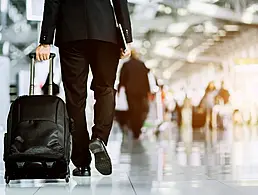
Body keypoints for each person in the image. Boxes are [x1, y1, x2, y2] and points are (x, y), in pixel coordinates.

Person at [35, 0, 132, 176]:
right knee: (105, 89)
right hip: (105, 32)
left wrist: (45, 41)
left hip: (71, 33)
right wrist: (126, 37)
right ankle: (99, 138)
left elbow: (53, 2)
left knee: (75, 98)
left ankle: (82, 163)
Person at [118, 49, 150, 139]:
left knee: (132, 110)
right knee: (140, 110)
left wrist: (120, 89)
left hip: (130, 91)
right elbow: (146, 79)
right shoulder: (142, 64)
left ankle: (134, 128)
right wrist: (148, 91)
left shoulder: (126, 65)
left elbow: (122, 78)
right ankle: (138, 129)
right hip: (141, 92)